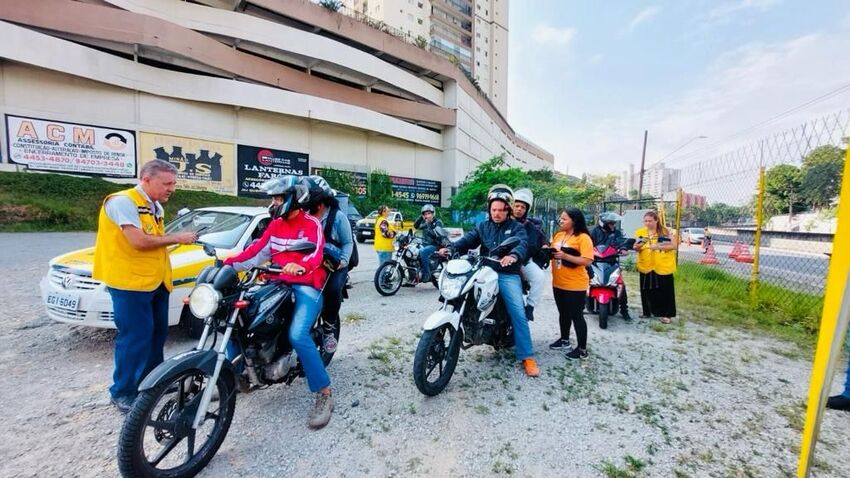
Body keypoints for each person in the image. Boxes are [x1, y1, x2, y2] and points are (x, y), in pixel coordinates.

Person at [223, 175, 334, 430]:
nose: (273, 203)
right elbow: (255, 252)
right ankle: (236, 376)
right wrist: (226, 264)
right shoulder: (274, 225)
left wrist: (300, 265)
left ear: (293, 198)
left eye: (278, 198)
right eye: (273, 198)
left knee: (298, 335)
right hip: (275, 282)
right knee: (235, 320)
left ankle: (324, 393)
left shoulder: (311, 224)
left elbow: (316, 254)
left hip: (306, 285)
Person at [92, 159, 198, 413]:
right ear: (146, 179)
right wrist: (178, 238)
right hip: (130, 283)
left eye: (173, 183)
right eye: (166, 183)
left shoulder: (153, 206)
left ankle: (153, 382)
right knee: (135, 337)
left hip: (156, 281)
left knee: (157, 334)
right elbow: (139, 241)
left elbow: (155, 242)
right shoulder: (122, 202)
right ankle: (123, 391)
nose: (171, 188)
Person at [438, 184, 540, 377]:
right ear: (489, 209)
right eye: (494, 209)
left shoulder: (516, 227)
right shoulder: (483, 226)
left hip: (507, 273)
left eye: (501, 210)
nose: (497, 213)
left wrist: (514, 256)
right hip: (484, 269)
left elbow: (522, 244)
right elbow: (468, 240)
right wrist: (451, 248)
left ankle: (527, 356)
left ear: (508, 210)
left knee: (518, 311)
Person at [303, 176, 352, 355]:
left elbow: (347, 242)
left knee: (331, 290)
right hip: (312, 260)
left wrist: (343, 261)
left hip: (335, 262)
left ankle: (329, 330)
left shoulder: (337, 216)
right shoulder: (304, 214)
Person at [549, 207, 594, 359]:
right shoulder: (559, 235)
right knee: (563, 313)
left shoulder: (583, 238)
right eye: (560, 218)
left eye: (564, 218)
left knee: (576, 315)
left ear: (574, 221)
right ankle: (564, 340)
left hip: (575, 284)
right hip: (558, 282)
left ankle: (582, 350)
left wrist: (566, 256)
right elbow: (553, 252)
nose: (560, 221)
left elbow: (587, 260)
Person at [633, 210, 678, 324]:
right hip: (646, 264)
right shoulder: (640, 232)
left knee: (665, 290)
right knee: (646, 289)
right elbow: (636, 246)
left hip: (662, 265)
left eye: (650, 221)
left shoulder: (666, 231)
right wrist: (637, 247)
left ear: (656, 220)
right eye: (645, 221)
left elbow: (674, 246)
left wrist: (658, 246)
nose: (647, 223)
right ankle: (647, 311)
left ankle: (667, 314)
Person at [589, 212, 633, 321]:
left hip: (611, 261)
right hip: (595, 261)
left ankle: (624, 310)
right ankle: (580, 307)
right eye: (611, 223)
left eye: (614, 223)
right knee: (585, 281)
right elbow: (587, 243)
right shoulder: (593, 232)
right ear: (603, 223)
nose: (613, 225)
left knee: (620, 284)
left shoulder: (616, 233)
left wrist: (623, 249)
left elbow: (621, 242)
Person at [512, 188, 546, 322]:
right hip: (498, 261)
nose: (519, 209)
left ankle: (530, 307)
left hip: (522, 261)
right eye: (516, 205)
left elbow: (531, 246)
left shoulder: (530, 226)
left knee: (540, 277)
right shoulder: (501, 220)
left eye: (523, 207)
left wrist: (519, 259)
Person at [414, 204, 444, 283]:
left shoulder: (438, 222)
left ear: (433, 213)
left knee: (423, 252)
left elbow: (437, 235)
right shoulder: (425, 221)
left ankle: (427, 274)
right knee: (411, 250)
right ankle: (412, 275)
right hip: (424, 244)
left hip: (435, 245)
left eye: (429, 213)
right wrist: (421, 217)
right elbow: (416, 226)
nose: (427, 215)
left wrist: (429, 224)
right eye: (425, 214)